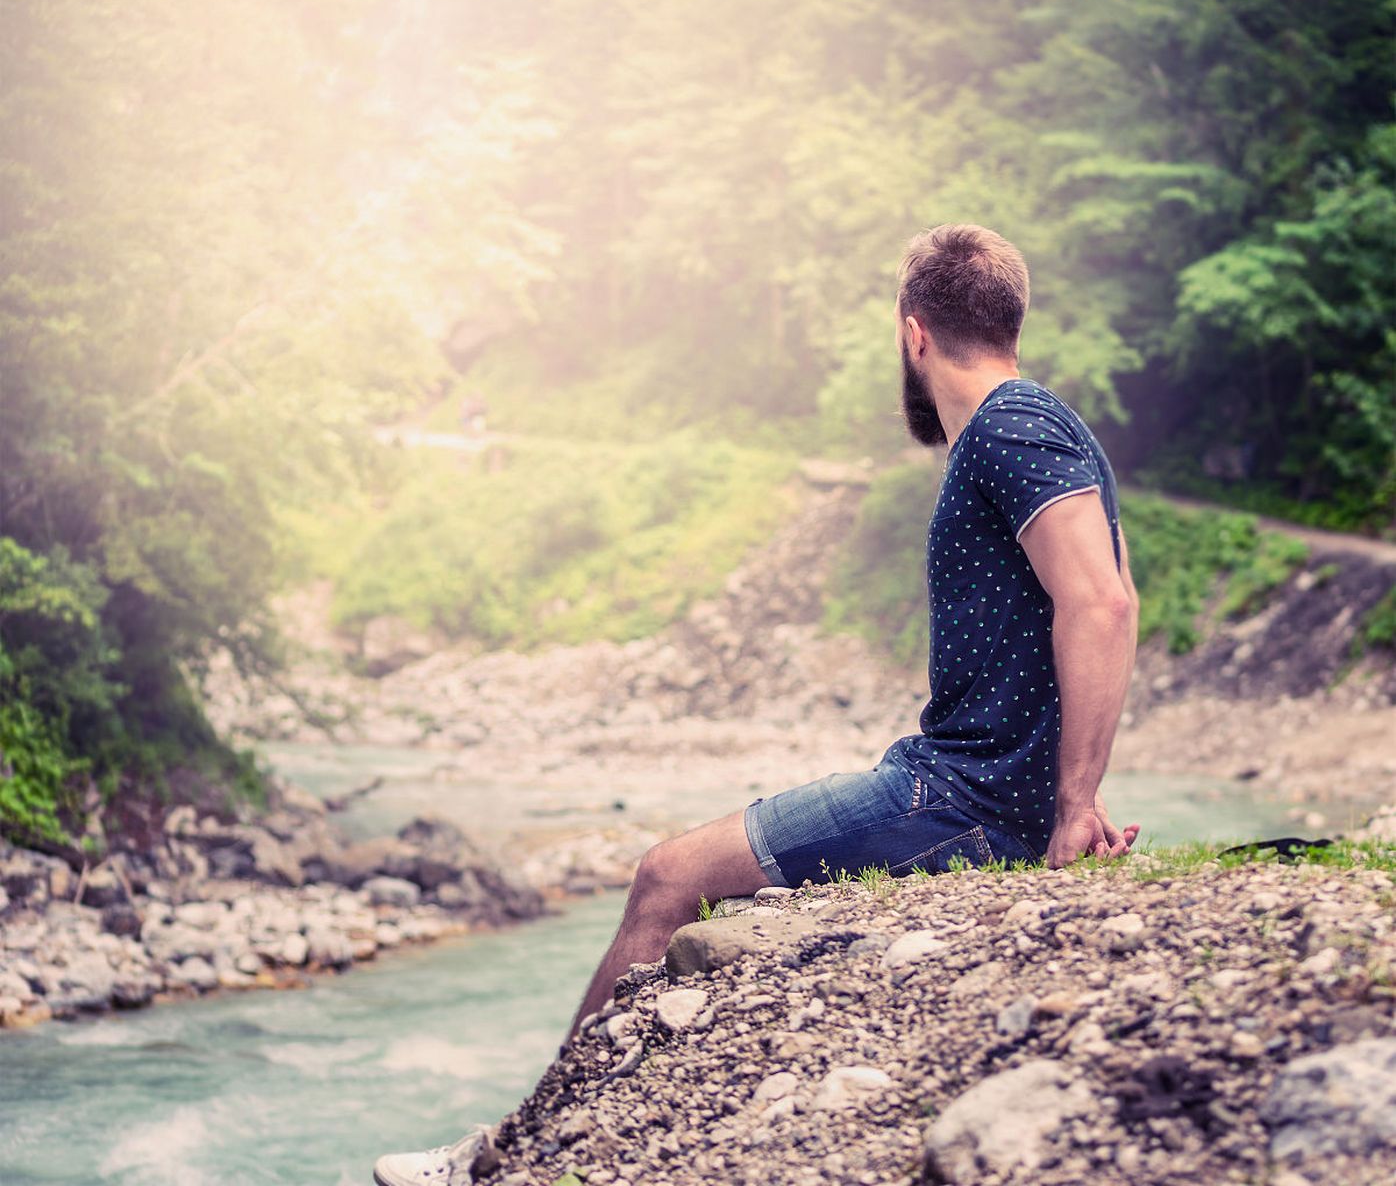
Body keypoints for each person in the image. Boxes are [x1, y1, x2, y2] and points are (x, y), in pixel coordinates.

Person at [370, 223, 1141, 1186]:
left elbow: (1100, 604)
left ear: (913, 335)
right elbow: (1121, 595)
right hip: (973, 784)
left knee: (666, 876)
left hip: (956, 799)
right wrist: (1074, 784)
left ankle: (509, 1161)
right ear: (1010, 319)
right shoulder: (1053, 425)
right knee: (684, 879)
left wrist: (1069, 807)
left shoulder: (1006, 428)